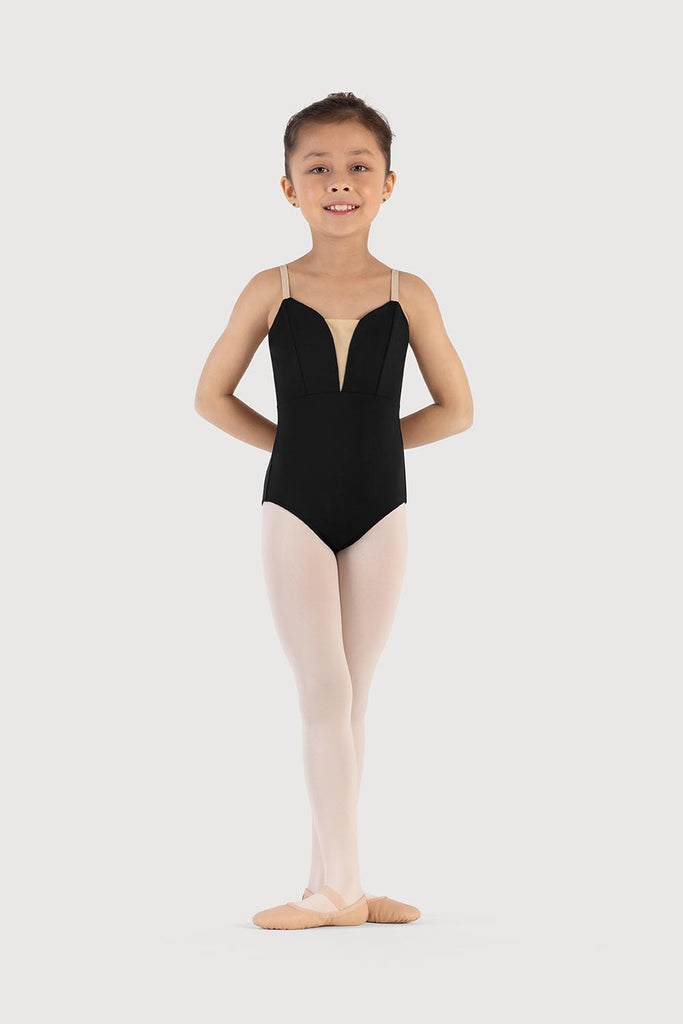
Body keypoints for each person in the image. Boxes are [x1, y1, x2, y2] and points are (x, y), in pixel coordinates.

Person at [194, 92, 474, 929]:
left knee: (352, 696)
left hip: (381, 509)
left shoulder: (409, 292)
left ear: (389, 184)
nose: (339, 181)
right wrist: (295, 447)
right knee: (322, 688)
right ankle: (340, 893)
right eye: (317, 168)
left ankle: (336, 879)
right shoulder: (270, 288)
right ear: (288, 188)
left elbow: (457, 410)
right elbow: (210, 397)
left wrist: (370, 445)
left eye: (358, 166)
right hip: (294, 509)